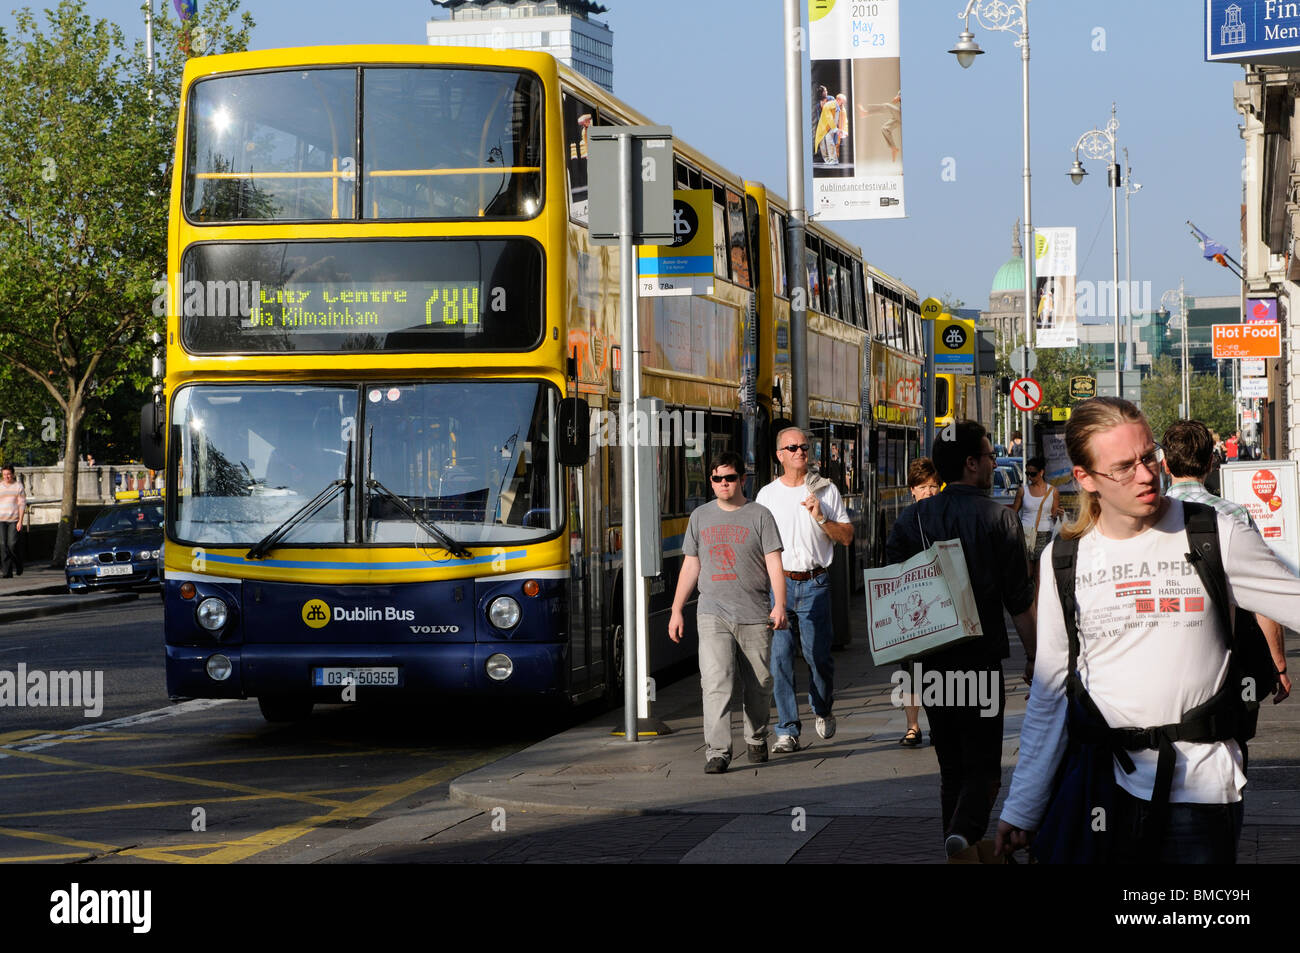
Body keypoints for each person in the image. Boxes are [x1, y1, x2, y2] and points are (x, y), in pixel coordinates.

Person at [996, 398, 1299, 863]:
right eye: (1123, 467)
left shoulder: (1213, 534)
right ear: (1086, 478)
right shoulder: (1064, 560)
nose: (1145, 474)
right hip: (1102, 789)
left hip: (1200, 792)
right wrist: (1023, 805)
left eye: (1148, 456)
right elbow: (1051, 692)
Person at [887, 422, 1036, 858]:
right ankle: (966, 831)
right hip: (981, 658)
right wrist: (1035, 657)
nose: (992, 462)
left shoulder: (912, 517)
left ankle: (956, 844)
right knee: (986, 763)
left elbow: (891, 584)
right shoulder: (998, 517)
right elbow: (1019, 601)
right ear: (971, 464)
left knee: (950, 763)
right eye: (989, 456)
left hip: (931, 659)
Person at [669, 451, 788, 774]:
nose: (723, 484)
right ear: (710, 482)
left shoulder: (759, 515)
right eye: (717, 479)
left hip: (754, 611)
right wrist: (677, 609)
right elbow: (691, 565)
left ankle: (757, 736)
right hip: (712, 611)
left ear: (742, 479)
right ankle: (718, 751)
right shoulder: (700, 517)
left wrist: (780, 604)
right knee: (716, 681)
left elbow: (774, 563)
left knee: (760, 683)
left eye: (730, 478)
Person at [1162, 419, 1290, 703]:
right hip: (1229, 654)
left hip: (1166, 659)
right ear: (1211, 463)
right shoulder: (1234, 516)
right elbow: (1262, 598)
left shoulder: (1149, 521)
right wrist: (1277, 664)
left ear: (1165, 466)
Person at [756, 427, 854, 753]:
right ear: (780, 455)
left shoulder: (825, 491)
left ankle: (822, 706)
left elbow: (847, 537)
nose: (800, 451)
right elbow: (758, 546)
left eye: (804, 447)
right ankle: (787, 729)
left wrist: (821, 517)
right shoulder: (767, 496)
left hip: (816, 583)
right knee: (780, 658)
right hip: (779, 585)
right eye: (792, 447)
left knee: (818, 658)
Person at [898, 457, 941, 748]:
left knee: (938, 667)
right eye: (923, 487)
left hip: (939, 600)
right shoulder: (904, 521)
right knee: (911, 666)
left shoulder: (945, 516)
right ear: (912, 489)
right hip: (911, 600)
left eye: (934, 486)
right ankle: (913, 726)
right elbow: (893, 558)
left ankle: (939, 723)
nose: (929, 492)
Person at [1009, 455, 1063, 576]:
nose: (1029, 477)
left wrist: (1059, 514)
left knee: (1040, 573)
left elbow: (1054, 514)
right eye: (1027, 473)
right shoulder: (1023, 490)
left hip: (1045, 534)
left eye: (1032, 474)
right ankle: (1028, 594)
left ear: (1041, 472)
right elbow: (1013, 513)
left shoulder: (1053, 491)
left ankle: (1037, 595)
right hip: (1026, 534)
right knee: (1027, 573)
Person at [0, 465, 26, 578]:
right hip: (1, 519)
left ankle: (18, 564)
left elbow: (22, 504)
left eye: (8, 474)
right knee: (2, 545)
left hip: (13, 519)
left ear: (13, 474)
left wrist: (20, 520)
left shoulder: (18, 487)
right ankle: (7, 571)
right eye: (4, 474)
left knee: (12, 544)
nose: (6, 476)